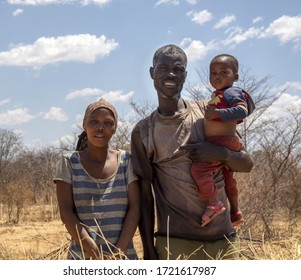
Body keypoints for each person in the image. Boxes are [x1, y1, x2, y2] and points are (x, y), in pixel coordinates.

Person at [130, 44, 253, 260]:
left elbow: (246, 164)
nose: (170, 74)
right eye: (163, 68)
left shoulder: (208, 112)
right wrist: (148, 248)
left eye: (178, 69)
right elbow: (144, 196)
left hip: (223, 239)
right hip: (176, 242)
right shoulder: (144, 130)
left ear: (185, 75)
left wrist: (220, 153)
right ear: (152, 73)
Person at [54, 98, 140, 260]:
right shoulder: (69, 162)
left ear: (114, 128)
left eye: (108, 123)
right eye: (94, 122)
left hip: (123, 257)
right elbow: (66, 212)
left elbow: (135, 208)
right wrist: (95, 252)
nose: (100, 127)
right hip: (83, 257)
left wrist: (117, 253)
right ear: (84, 125)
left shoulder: (126, 161)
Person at [191, 54, 255, 228]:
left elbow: (242, 111)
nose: (217, 77)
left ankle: (214, 203)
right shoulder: (219, 94)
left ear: (235, 76)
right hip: (224, 141)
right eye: (213, 73)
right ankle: (235, 212)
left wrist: (218, 114)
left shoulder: (232, 92)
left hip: (222, 142)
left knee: (199, 170)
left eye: (223, 72)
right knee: (227, 177)